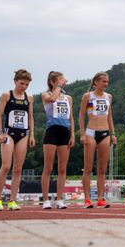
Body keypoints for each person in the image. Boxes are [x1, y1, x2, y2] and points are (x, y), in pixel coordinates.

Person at [0, 69, 36, 211]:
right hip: (8, 133)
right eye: (21, 83)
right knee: (6, 166)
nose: (24, 86)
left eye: (26, 84)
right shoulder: (7, 95)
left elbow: (30, 117)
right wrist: (0, 133)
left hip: (23, 134)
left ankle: (12, 200)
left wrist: (32, 135)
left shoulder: (29, 98)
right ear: (15, 81)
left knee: (18, 169)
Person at [79, 72, 117, 209]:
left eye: (107, 82)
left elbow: (109, 116)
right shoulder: (88, 96)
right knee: (88, 168)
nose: (106, 84)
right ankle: (87, 199)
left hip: (105, 133)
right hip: (91, 132)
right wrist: (82, 134)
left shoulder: (109, 97)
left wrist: (113, 134)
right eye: (103, 81)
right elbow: (81, 115)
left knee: (102, 169)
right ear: (96, 82)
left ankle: (101, 198)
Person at [41, 71, 75, 210]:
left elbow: (70, 117)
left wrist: (72, 134)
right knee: (48, 168)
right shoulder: (46, 95)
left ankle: (60, 199)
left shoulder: (68, 98)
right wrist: (59, 87)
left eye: (63, 79)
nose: (63, 80)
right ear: (53, 81)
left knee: (62, 168)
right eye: (60, 79)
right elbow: (53, 99)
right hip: (52, 131)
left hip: (64, 132)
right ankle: (45, 200)